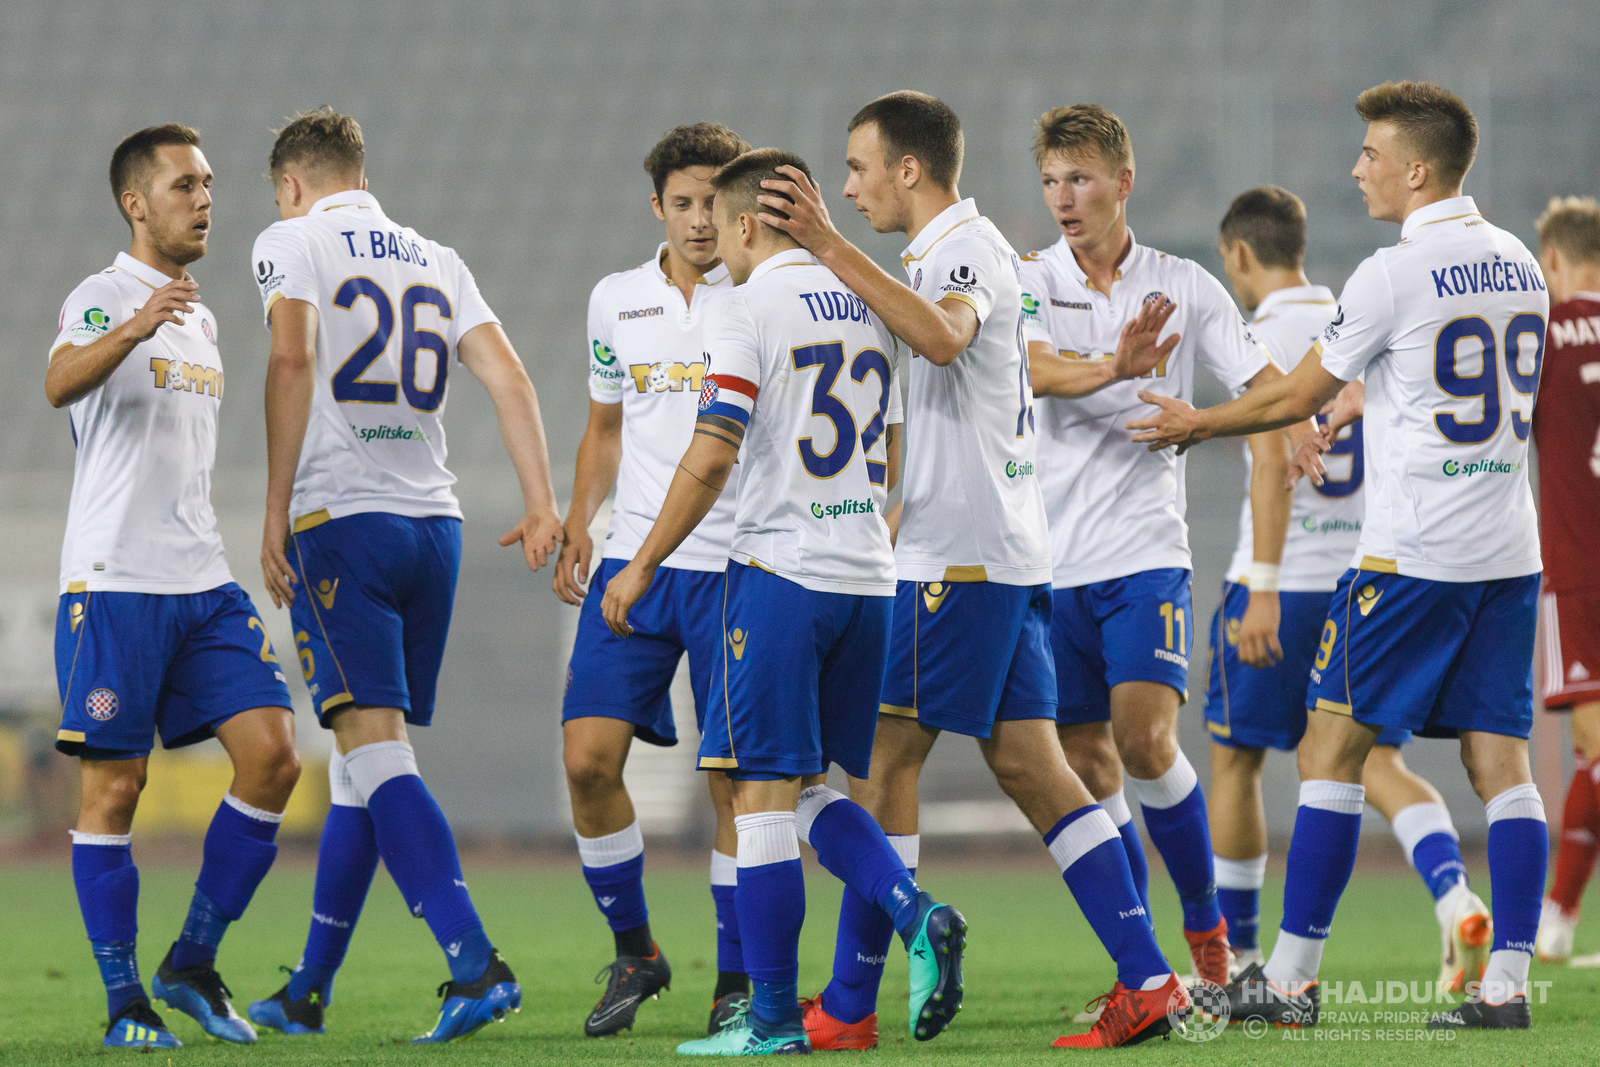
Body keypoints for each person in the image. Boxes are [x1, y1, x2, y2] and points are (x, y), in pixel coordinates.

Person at [756, 93, 1190, 1050]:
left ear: (910, 170)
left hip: (959, 560)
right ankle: (1151, 977)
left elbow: (947, 335)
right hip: (1000, 551)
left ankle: (852, 1001)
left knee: (881, 760)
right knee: (1035, 767)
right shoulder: (951, 252)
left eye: (860, 166)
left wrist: (828, 246)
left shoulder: (959, 249)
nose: (850, 185)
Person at [1130, 81, 1550, 1031]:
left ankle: (1289, 977)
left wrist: (1199, 421)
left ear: (1417, 169)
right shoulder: (1519, 261)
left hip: (1411, 560)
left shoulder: (1390, 274)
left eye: (1371, 153)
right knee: (1502, 765)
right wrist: (1377, 397)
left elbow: (1290, 399)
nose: (1357, 169)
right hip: (1505, 553)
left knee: (1331, 747)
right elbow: (1477, 378)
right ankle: (1507, 986)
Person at [603, 147, 970, 1056]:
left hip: (779, 574)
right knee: (811, 789)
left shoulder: (742, 305)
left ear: (738, 224)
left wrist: (644, 558)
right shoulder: (870, 304)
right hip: (864, 579)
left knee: (761, 797)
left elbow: (717, 446)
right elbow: (891, 452)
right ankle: (912, 911)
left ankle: (768, 1020)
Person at [245, 108, 564, 1043]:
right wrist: (541, 502)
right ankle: (307, 988)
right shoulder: (437, 256)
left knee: (376, 752)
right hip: (437, 526)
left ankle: (475, 962)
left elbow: (293, 356)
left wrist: (274, 509)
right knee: (358, 763)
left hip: (343, 521)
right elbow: (511, 379)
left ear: (293, 184)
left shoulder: (290, 238)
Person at [1015, 104, 1284, 989]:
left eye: (1081, 179)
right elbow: (1037, 371)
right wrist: (1116, 370)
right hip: (1052, 564)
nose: (1064, 197)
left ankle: (1208, 929)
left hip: (1143, 553)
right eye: (1052, 180)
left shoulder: (1185, 285)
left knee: (1142, 738)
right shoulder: (1028, 281)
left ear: (1123, 183)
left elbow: (1266, 388)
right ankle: (1151, 969)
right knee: (1088, 762)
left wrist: (1248, 422)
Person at [47, 124, 299, 1050]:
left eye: (209, 182)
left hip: (202, 578)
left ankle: (190, 959)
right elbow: (56, 383)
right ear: (135, 203)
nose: (204, 197)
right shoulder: (102, 295)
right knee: (116, 791)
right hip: (115, 580)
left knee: (273, 757)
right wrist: (134, 323)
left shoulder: (205, 316)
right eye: (184, 183)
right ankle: (124, 1005)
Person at [1207, 186, 1491, 990]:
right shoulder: (1358, 320)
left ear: (1239, 254)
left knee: (1236, 762)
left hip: (1280, 580)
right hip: (1362, 582)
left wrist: (1261, 583)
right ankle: (1453, 897)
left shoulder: (1261, 336)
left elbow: (1270, 461)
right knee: (1373, 760)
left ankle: (1244, 954)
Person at [553, 122, 755, 1038]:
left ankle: (738, 981)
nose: (701, 219)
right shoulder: (615, 300)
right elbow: (605, 426)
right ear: (658, 207)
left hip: (731, 567)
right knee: (587, 761)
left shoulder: (757, 297)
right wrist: (574, 520)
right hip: (631, 562)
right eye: (684, 202)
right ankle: (637, 950)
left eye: (716, 200)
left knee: (735, 788)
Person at [1530, 195, 1600, 967]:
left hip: (1579, 577)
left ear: (1551, 262)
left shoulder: (1543, 335)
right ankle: (1557, 920)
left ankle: (1555, 918)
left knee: (1596, 746)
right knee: (1592, 760)